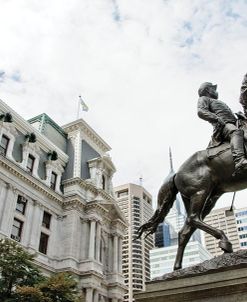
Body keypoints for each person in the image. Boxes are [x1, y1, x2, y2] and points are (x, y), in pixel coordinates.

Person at [197, 82, 247, 174]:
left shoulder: (217, 101)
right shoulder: (203, 99)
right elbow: (201, 111)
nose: (215, 91)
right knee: (236, 132)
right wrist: (216, 119)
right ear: (208, 90)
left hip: (235, 122)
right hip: (223, 126)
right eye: (213, 89)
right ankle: (239, 160)